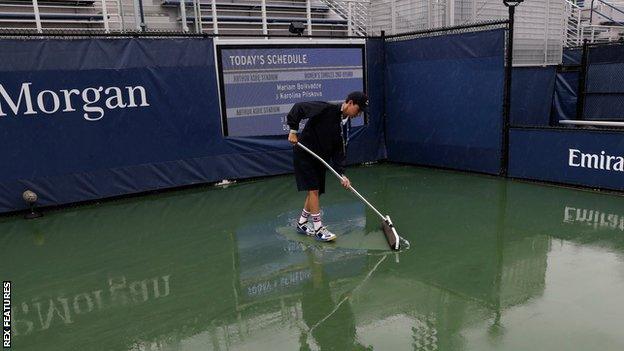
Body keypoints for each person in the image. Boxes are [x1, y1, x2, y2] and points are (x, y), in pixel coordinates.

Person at [287, 91, 368, 242]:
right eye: (359, 109)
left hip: (319, 158)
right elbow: (298, 108)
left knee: (315, 190)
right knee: (314, 190)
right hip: (305, 153)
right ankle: (318, 229)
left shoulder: (343, 125)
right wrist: (293, 131)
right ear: (350, 103)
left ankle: (302, 223)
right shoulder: (326, 108)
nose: (359, 113)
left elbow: (338, 151)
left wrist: (341, 174)